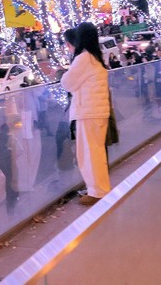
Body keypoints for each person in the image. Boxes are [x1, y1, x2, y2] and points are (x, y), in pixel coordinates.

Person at [61, 22, 111, 206]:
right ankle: (97, 188)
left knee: (89, 153)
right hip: (96, 111)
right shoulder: (96, 57)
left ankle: (97, 191)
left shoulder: (83, 58)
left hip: (88, 112)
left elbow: (67, 83)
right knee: (95, 151)